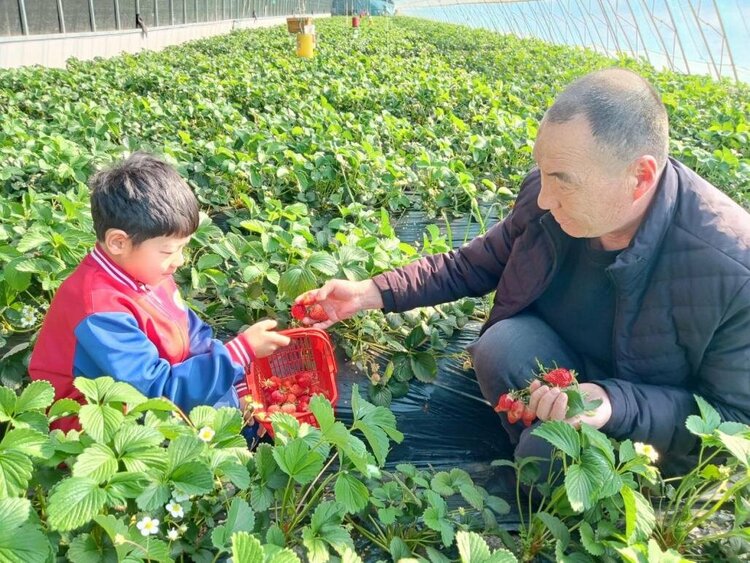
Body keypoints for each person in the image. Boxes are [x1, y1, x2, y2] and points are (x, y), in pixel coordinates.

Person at [296, 68, 750, 471]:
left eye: (563, 183)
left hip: (643, 407)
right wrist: (370, 292)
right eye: (542, 171)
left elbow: (734, 419)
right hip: (558, 366)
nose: (545, 198)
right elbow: (472, 263)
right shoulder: (546, 200)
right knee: (500, 347)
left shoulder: (730, 270)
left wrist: (614, 404)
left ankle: (557, 466)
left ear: (641, 177)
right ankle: (533, 437)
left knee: (546, 459)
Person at [29, 153, 290, 446]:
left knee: (231, 401)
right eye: (168, 251)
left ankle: (241, 435)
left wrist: (236, 377)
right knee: (209, 432)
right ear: (118, 242)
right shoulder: (98, 310)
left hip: (160, 382)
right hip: (95, 418)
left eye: (183, 248)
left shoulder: (144, 269)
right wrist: (238, 354)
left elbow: (191, 332)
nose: (179, 261)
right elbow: (156, 390)